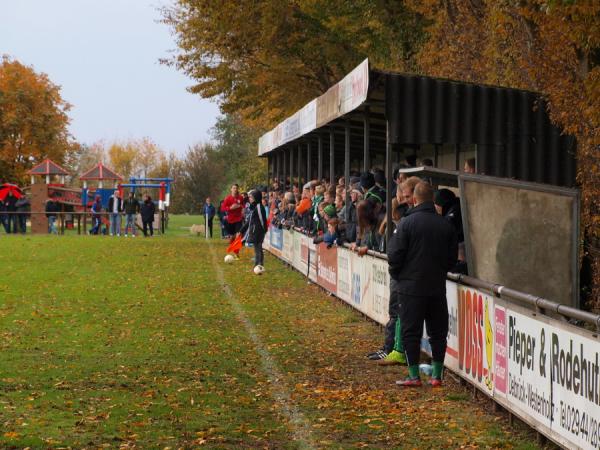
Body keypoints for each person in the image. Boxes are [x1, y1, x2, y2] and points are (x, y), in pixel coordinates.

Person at [388, 181, 458, 387]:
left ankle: (413, 376)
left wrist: (399, 276)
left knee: (411, 331)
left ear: (415, 199)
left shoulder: (406, 223)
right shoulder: (446, 224)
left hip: (410, 288)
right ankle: (437, 376)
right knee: (438, 332)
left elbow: (394, 255)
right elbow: (451, 259)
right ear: (432, 200)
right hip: (436, 286)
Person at [238, 189, 268, 272]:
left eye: (251, 197)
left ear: (256, 197)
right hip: (255, 231)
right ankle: (258, 265)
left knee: (258, 248)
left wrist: (264, 230)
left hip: (258, 231)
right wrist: (241, 230)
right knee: (257, 248)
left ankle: (258, 266)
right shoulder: (254, 207)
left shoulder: (259, 207)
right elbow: (249, 221)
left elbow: (262, 220)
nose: (249, 199)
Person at [221, 184, 244, 257]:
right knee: (233, 237)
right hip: (230, 220)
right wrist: (230, 208)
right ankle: (232, 243)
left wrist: (241, 207)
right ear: (231, 189)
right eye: (233, 188)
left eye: (236, 188)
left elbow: (243, 206)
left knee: (238, 236)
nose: (235, 189)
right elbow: (223, 208)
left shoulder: (240, 197)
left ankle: (237, 253)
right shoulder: (228, 198)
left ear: (237, 189)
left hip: (239, 219)